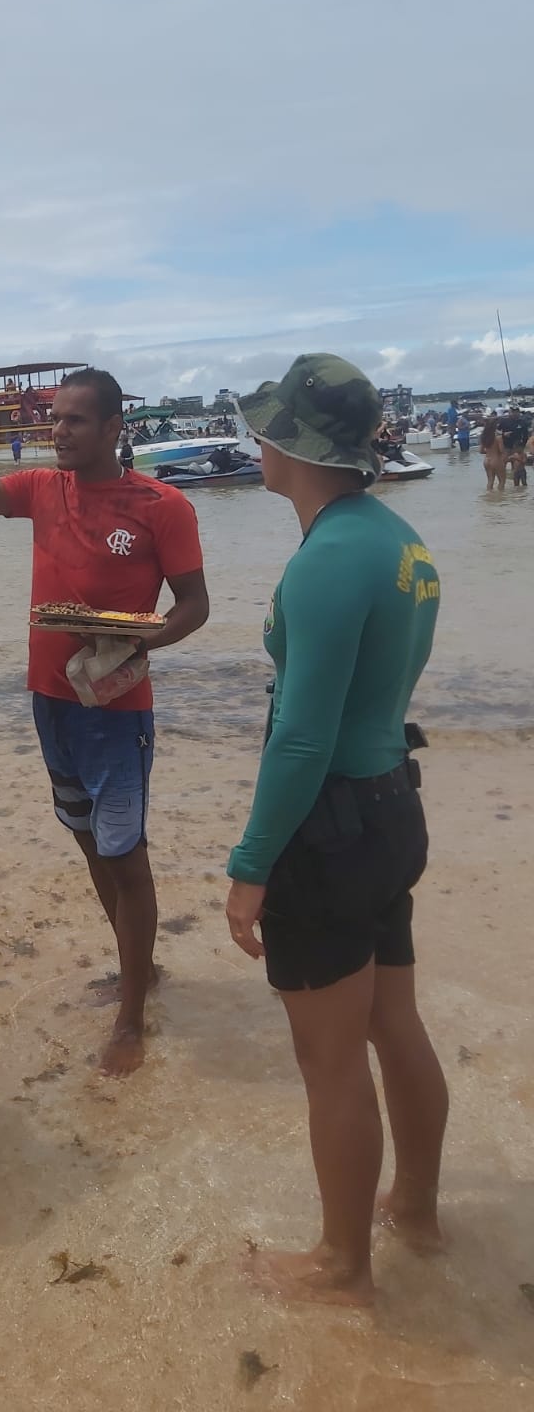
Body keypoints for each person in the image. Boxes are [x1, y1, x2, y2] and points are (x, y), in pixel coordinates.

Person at [0, 368, 209, 1075]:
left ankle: (132, 1014)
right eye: (54, 418)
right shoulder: (40, 489)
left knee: (124, 853)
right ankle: (136, 968)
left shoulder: (162, 505)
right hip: (50, 700)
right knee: (87, 843)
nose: (58, 431)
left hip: (116, 711)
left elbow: (194, 606)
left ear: (114, 428)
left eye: (75, 420)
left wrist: (138, 639)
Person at [225, 354, 447, 1308]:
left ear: (293, 446)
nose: (254, 444)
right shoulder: (403, 541)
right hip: (394, 803)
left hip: (332, 826)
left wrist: (250, 863)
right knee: (395, 1024)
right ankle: (420, 1213)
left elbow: (302, 734)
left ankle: (341, 1267)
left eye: (265, 430)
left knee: (330, 1061)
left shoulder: (325, 561)